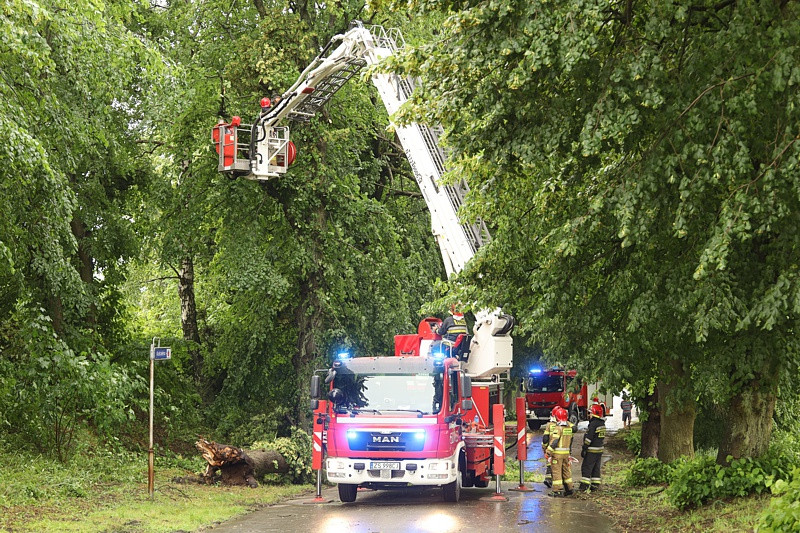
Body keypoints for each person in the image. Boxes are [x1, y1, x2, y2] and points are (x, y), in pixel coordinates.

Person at [546, 407, 574, 497]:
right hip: (566, 454)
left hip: (557, 454)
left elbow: (554, 441)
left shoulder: (558, 428)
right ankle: (569, 488)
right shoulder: (569, 427)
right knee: (566, 471)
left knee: (556, 471)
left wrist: (548, 452)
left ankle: (557, 490)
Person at [579, 403, 606, 491]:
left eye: (590, 413)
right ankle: (595, 486)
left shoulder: (593, 424)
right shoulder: (602, 423)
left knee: (586, 467)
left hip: (592, 450)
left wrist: (584, 448)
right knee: (596, 468)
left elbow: (589, 438)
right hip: (599, 450)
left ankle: (584, 486)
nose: (589, 415)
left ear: (594, 414)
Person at [541, 407, 559, 488]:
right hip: (560, 449)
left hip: (550, 448)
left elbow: (545, 437)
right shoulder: (566, 426)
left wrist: (545, 447)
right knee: (558, 466)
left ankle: (548, 479)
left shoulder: (550, 425)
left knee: (549, 463)